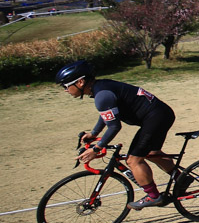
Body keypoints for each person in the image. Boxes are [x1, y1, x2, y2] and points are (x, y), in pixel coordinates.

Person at [57, 60, 177, 210]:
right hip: (160, 114)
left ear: (80, 82)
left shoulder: (102, 95)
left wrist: (96, 149)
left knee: (133, 160)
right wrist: (94, 133)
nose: (65, 90)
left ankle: (154, 196)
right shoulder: (101, 88)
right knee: (152, 152)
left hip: (155, 117)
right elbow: (109, 112)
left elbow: (114, 126)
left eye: (66, 86)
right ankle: (182, 179)